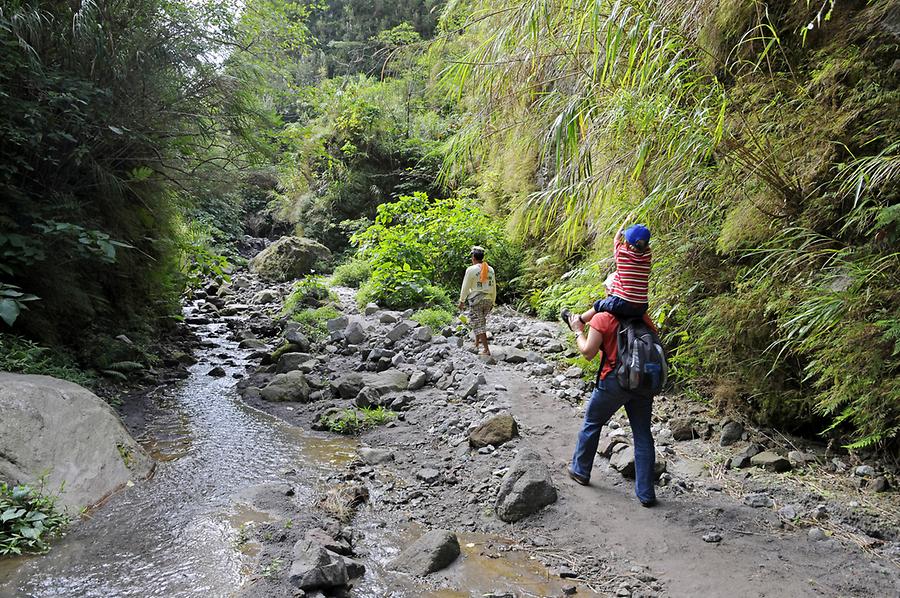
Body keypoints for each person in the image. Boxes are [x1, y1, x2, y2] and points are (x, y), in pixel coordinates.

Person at [566, 275, 658, 507]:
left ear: (610, 293)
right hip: (643, 383)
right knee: (642, 433)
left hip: (614, 382)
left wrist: (578, 331)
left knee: (592, 422)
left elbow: (588, 352)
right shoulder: (644, 319)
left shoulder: (603, 318)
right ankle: (646, 493)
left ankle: (581, 471)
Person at [562, 219, 651, 332]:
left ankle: (580, 320)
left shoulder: (621, 253)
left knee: (599, 304)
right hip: (642, 306)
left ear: (627, 243)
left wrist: (625, 222)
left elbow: (616, 238)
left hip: (621, 304)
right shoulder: (647, 256)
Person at [458, 246, 496, 356]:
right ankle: (476, 343)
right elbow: (493, 286)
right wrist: (493, 301)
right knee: (480, 321)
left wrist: (462, 301)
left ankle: (486, 349)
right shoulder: (490, 269)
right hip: (488, 299)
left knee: (478, 324)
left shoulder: (471, 269)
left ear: (473, 257)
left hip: (477, 300)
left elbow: (465, 286)